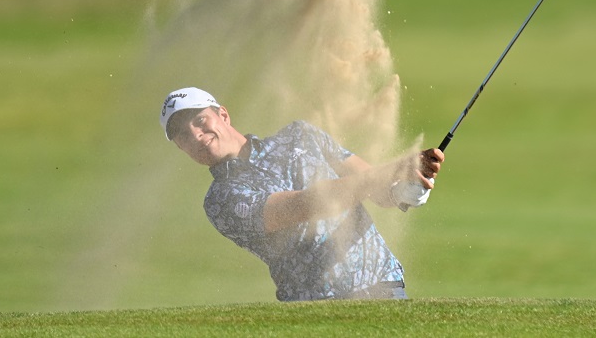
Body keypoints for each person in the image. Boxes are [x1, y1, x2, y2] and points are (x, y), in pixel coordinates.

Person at [159, 86, 444, 301]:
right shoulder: (221, 200)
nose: (195, 135)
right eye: (182, 135)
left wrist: (406, 188)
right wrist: (391, 170)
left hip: (384, 286)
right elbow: (305, 206)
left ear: (222, 114)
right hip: (316, 308)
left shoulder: (300, 134)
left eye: (198, 120)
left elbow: (378, 190)